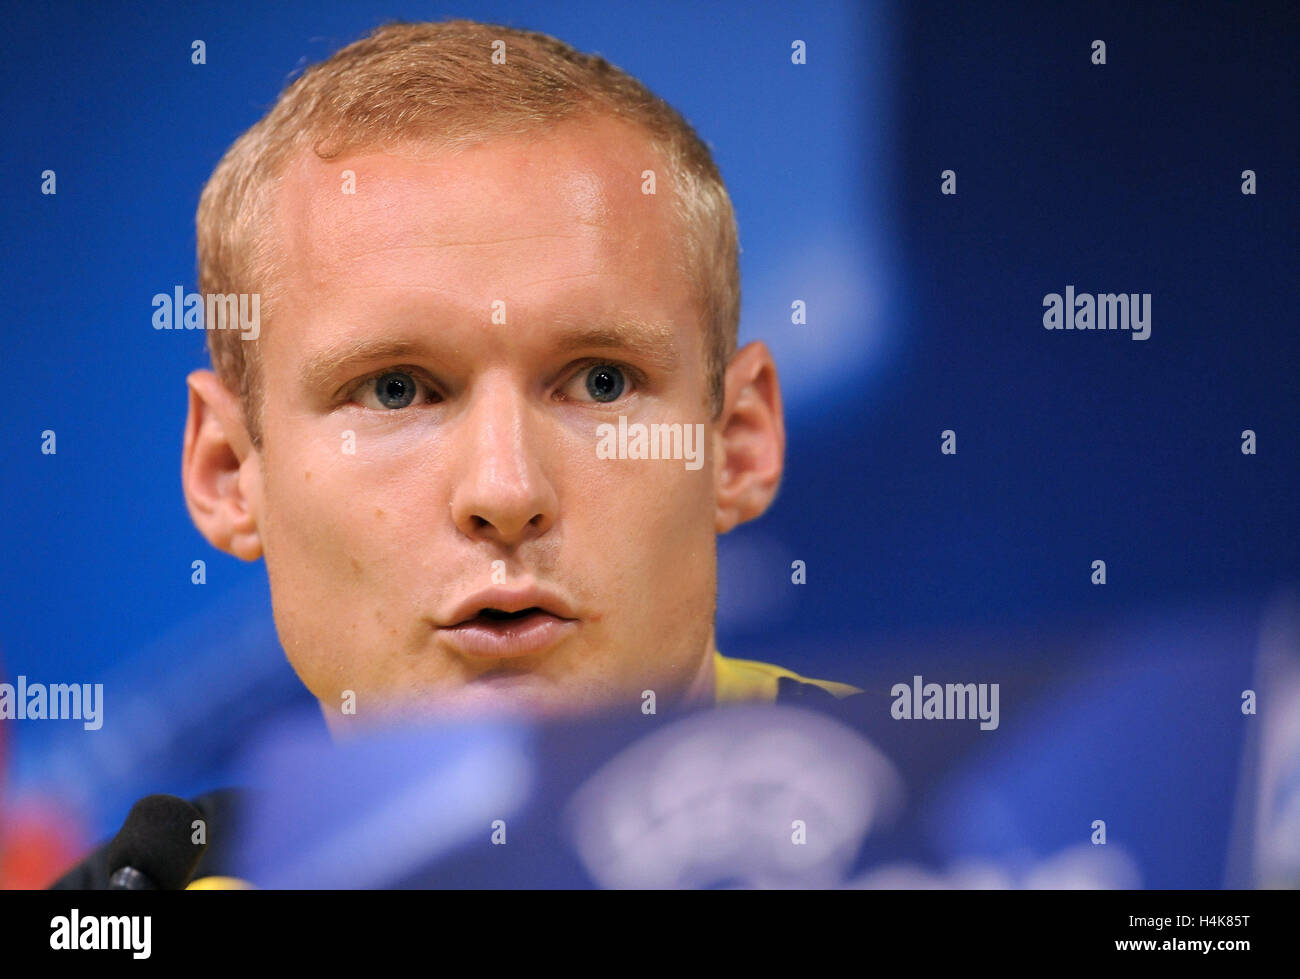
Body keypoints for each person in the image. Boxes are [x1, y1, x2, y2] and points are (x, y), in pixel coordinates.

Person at [180, 17, 860, 735]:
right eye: (395, 390)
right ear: (228, 470)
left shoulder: (966, 820)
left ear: (739, 441)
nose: (506, 493)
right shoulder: (181, 852)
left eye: (602, 381)